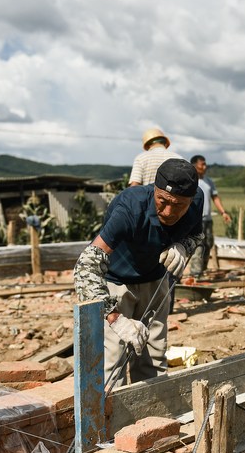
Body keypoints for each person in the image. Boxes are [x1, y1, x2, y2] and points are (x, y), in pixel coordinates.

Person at [74, 159, 204, 386]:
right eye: (162, 201)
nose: (169, 211)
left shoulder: (197, 201)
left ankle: (152, 414)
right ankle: (112, 417)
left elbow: (196, 235)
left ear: (191, 200)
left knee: (153, 354)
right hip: (116, 283)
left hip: (155, 280)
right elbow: (86, 266)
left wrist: (184, 247)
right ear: (154, 189)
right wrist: (115, 318)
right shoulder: (130, 208)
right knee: (113, 360)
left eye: (179, 205)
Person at [188, 155, 231, 278]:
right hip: (195, 220)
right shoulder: (190, 181)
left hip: (207, 219)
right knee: (198, 246)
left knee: (208, 243)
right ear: (195, 166)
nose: (205, 167)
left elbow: (215, 198)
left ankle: (202, 270)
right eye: (202, 164)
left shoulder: (209, 181)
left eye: (205, 164)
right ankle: (195, 273)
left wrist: (223, 212)